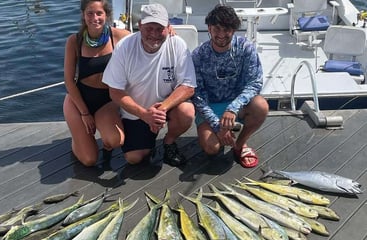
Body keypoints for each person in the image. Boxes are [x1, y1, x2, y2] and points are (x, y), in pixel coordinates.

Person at [102, 3, 196, 167]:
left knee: (187, 112)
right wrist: (145, 115)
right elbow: (115, 92)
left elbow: (188, 87)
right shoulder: (125, 47)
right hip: (136, 112)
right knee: (134, 158)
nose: (154, 34)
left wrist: (161, 110)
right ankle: (148, 140)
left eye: (159, 28)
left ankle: (169, 141)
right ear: (140, 26)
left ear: (168, 27)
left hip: (165, 107)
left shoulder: (178, 45)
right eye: (148, 28)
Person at [192, 4, 269, 168]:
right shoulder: (198, 55)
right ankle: (222, 134)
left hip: (236, 106)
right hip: (210, 108)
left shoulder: (245, 48)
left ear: (233, 30)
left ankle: (239, 145)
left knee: (261, 106)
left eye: (226, 29)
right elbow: (198, 95)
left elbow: (255, 83)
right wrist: (216, 125)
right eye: (216, 29)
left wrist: (233, 107)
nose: (221, 34)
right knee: (211, 149)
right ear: (209, 28)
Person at [63, 0, 130, 166]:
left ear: (106, 15)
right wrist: (85, 114)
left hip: (106, 102)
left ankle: (101, 142)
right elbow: (69, 81)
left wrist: (169, 29)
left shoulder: (120, 36)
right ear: (83, 15)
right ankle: (78, 140)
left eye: (99, 13)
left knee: (116, 140)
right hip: (78, 100)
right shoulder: (74, 41)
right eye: (90, 13)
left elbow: (147, 37)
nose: (95, 18)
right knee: (89, 160)